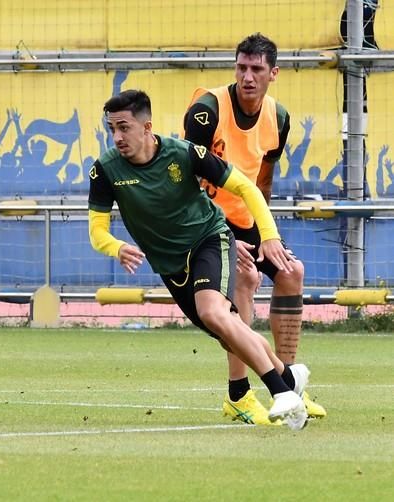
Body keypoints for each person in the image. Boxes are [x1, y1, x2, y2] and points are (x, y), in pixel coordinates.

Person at [89, 89, 309, 430]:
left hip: (209, 239)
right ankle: (289, 378)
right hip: (171, 265)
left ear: (146, 127)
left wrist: (269, 236)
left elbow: (247, 188)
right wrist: (115, 247)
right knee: (228, 331)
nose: (117, 137)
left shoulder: (185, 154)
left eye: (124, 127)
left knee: (214, 312)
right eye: (111, 128)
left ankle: (281, 393)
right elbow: (97, 231)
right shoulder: (105, 170)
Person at [183, 33, 326, 425]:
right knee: (245, 278)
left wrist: (266, 234)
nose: (247, 76)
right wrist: (220, 237)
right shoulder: (206, 109)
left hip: (247, 219)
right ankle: (239, 394)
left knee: (292, 272)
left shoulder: (278, 117)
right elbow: (184, 180)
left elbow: (262, 181)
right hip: (206, 222)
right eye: (241, 67)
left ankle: (290, 382)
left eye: (256, 69)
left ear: (273, 73)